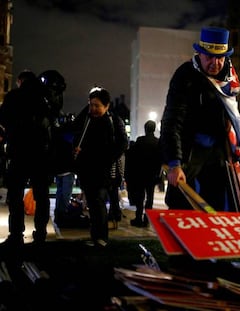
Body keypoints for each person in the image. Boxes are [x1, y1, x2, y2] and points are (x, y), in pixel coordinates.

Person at [160, 26, 240, 212]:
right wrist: (175, 163)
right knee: (182, 205)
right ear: (199, 54)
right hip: (190, 151)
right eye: (209, 57)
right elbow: (172, 121)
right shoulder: (185, 76)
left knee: (218, 207)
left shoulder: (230, 80)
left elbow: (232, 117)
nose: (215, 62)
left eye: (220, 57)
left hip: (218, 154)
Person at [0, 70, 60, 247]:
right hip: (41, 154)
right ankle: (40, 234)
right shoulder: (44, 98)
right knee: (42, 196)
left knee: (15, 194)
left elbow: (2, 118)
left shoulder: (14, 96)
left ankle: (16, 234)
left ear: (20, 81)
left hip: (19, 152)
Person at [72, 86, 128, 247]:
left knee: (98, 202)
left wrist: (108, 158)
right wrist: (77, 148)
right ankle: (95, 235)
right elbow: (76, 135)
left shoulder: (113, 121)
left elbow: (122, 143)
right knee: (92, 203)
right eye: (91, 105)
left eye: (97, 105)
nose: (93, 109)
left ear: (107, 106)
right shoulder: (87, 120)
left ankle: (101, 237)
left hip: (103, 170)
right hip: (87, 168)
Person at [125, 120, 162, 227]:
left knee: (140, 198)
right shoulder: (157, 142)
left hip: (140, 174)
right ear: (154, 129)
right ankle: (147, 219)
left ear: (145, 129)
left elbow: (132, 157)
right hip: (152, 175)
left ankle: (138, 218)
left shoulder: (140, 141)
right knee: (150, 198)